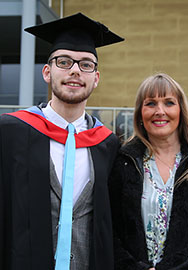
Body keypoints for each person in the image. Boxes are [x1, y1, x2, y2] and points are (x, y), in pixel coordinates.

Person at [0, 13, 124, 270]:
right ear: (47, 72)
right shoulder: (10, 132)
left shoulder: (107, 145)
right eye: (64, 61)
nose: (75, 70)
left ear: (96, 78)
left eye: (86, 64)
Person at [109, 73, 188, 270]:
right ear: (140, 113)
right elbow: (109, 231)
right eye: (150, 103)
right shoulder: (123, 162)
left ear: (181, 111)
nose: (160, 111)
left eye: (169, 103)